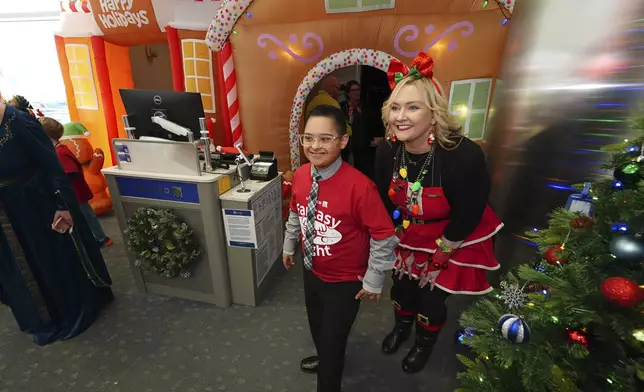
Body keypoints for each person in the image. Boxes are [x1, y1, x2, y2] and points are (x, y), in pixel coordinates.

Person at [374, 52, 503, 373]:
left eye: (413, 107)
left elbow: (469, 213)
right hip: (409, 229)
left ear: (434, 115)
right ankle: (401, 328)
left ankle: (423, 343)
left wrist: (440, 256)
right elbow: (384, 200)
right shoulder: (388, 150)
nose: (400, 116)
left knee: (430, 298)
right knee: (402, 288)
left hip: (455, 234)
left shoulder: (463, 155)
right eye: (395, 107)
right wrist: (392, 234)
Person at [283, 105, 399, 392]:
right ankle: (326, 358)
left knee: (334, 340)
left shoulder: (360, 187)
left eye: (325, 139)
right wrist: (288, 245)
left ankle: (329, 377)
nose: (315, 146)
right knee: (318, 329)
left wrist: (373, 279)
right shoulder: (300, 175)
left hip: (346, 282)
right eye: (308, 138)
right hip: (312, 270)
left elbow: (384, 236)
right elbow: (296, 212)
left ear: (343, 141)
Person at [0, 103, 113, 345]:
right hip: (7, 212)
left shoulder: (19, 122)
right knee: (25, 264)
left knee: (51, 260)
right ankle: (42, 317)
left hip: (37, 204)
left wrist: (63, 205)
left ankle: (70, 313)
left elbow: (52, 167)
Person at [40, 117, 113, 248]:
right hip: (76, 191)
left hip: (76, 192)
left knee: (87, 216)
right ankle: (98, 237)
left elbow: (70, 173)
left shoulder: (60, 152)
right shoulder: (61, 149)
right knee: (87, 215)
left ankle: (100, 238)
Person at [306, 76, 352, 161]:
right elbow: (344, 129)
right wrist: (349, 128)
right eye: (338, 89)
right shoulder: (331, 102)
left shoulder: (313, 101)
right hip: (326, 149)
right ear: (332, 88)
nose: (339, 93)